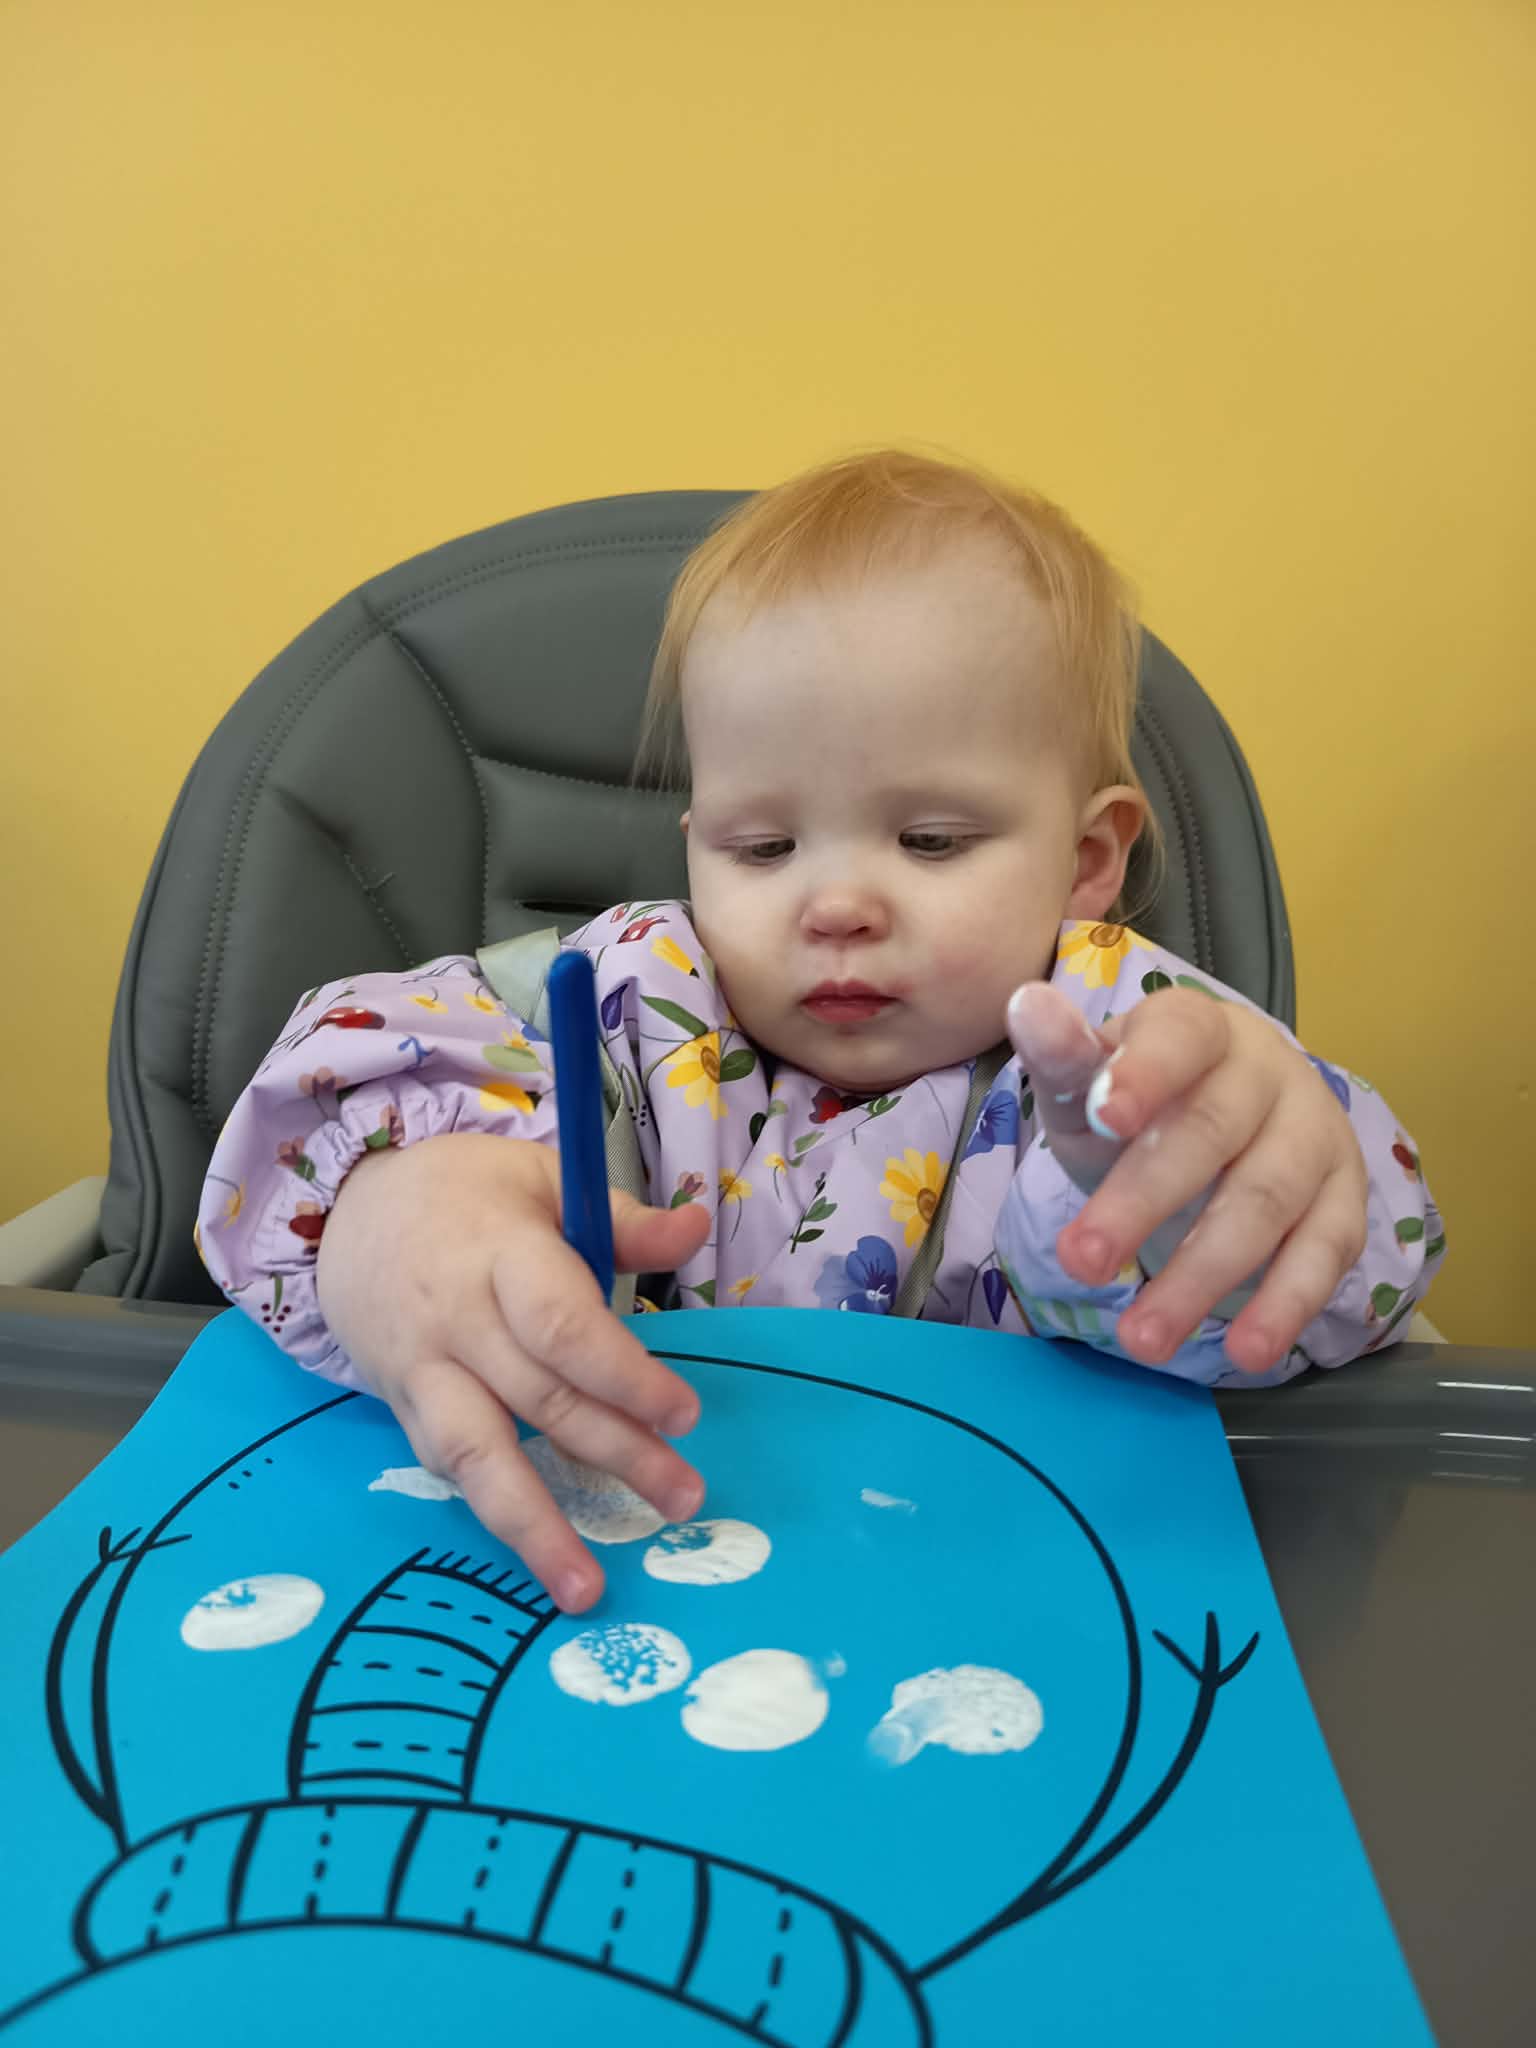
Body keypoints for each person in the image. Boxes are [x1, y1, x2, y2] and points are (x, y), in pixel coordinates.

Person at [197, 449, 1443, 1611]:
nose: (835, 903)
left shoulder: (1124, 1039)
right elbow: (354, 1074)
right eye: (764, 845)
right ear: (698, 845)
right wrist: (394, 1212)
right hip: (624, 1572)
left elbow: (1345, 1273)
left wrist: (1189, 1199)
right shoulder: (632, 994)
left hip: (992, 1595)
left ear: (1086, 860)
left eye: (931, 840)